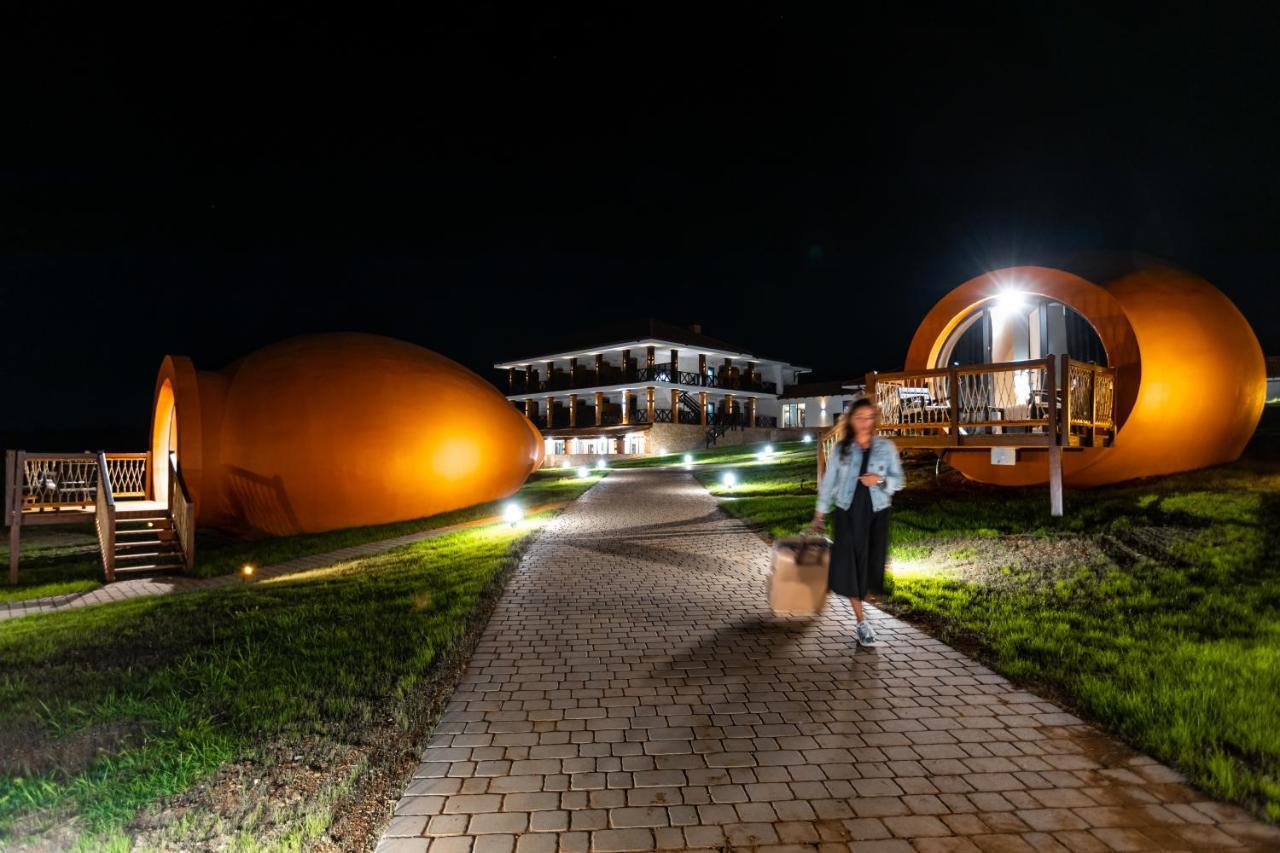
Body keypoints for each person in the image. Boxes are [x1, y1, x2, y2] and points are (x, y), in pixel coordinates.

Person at [811, 398, 904, 647]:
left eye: (869, 417)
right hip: (848, 514)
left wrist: (880, 480)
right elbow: (829, 484)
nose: (865, 422)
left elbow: (899, 481)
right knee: (851, 569)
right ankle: (862, 622)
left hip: (877, 512)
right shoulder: (841, 449)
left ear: (875, 420)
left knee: (871, 570)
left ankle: (856, 598)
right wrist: (819, 514)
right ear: (851, 419)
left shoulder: (887, 448)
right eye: (860, 417)